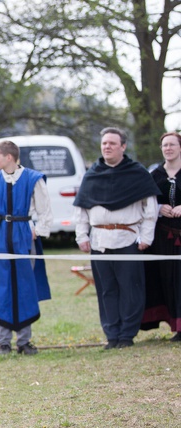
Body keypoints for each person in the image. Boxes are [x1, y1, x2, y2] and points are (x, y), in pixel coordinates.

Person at [74, 127, 160, 349]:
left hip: (127, 239)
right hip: (99, 240)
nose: (107, 147)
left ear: (123, 146)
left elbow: (150, 210)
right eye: (104, 143)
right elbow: (82, 211)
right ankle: (111, 335)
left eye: (112, 143)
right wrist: (82, 236)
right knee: (106, 289)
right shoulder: (92, 175)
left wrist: (146, 237)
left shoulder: (138, 173)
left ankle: (126, 335)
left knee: (131, 289)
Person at [0, 141, 52, 355]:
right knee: (2, 288)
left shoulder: (32, 179)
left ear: (9, 157)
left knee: (25, 285)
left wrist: (39, 229)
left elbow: (45, 208)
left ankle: (24, 341)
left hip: (22, 235)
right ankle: (4, 342)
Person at [140, 132, 181, 340]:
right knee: (168, 279)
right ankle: (176, 325)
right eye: (165, 145)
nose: (168, 148)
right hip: (163, 237)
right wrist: (159, 207)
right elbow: (145, 203)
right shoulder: (154, 175)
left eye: (172, 145)